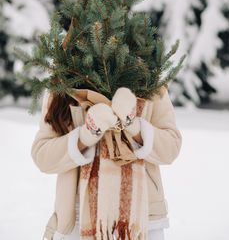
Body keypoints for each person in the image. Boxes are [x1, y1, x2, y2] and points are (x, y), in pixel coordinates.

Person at [31, 84, 182, 240]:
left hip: (141, 221)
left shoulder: (149, 76)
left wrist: (134, 126)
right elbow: (43, 156)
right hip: (78, 220)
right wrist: (85, 136)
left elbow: (171, 148)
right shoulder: (64, 76)